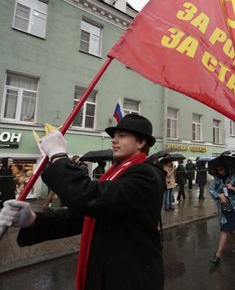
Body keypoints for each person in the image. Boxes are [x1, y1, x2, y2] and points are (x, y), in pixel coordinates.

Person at [0, 114, 165, 290]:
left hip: (130, 278)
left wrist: (58, 157)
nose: (114, 141)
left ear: (140, 142)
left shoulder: (146, 174)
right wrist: (33, 220)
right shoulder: (118, 171)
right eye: (114, 136)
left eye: (122, 136)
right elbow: (81, 217)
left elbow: (92, 198)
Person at [209, 164, 235, 264]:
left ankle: (218, 255)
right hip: (223, 207)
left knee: (224, 229)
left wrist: (233, 188)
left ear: (226, 167)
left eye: (221, 169)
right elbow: (211, 189)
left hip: (233, 207)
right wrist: (219, 195)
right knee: (231, 228)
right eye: (218, 170)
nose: (220, 172)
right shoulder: (217, 179)